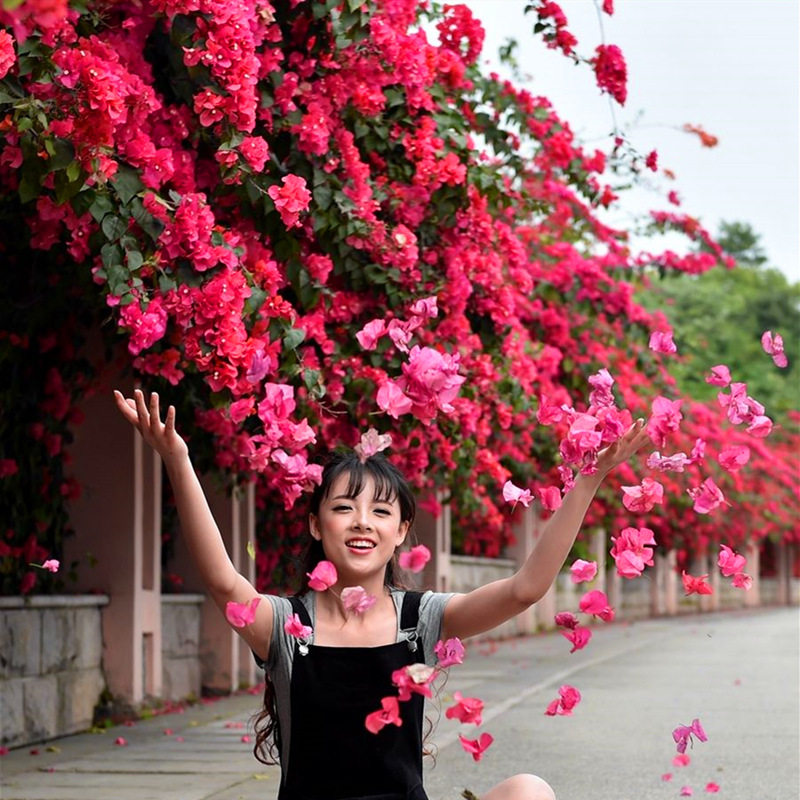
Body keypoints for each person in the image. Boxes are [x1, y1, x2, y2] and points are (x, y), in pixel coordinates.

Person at [114, 388, 650, 800]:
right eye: (344, 507)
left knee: (529, 791)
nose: (361, 522)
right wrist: (178, 460)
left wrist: (589, 480)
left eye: (381, 511)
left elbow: (525, 589)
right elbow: (222, 581)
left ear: (401, 532)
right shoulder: (284, 625)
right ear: (315, 525)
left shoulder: (422, 620)